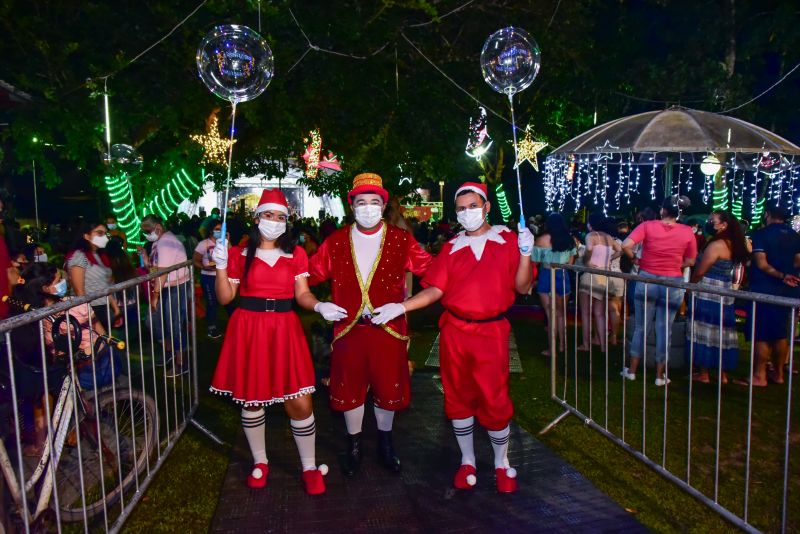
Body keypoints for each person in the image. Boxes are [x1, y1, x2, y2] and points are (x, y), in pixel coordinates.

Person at [373, 181, 534, 493]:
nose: (467, 213)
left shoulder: (508, 240)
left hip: (491, 332)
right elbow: (435, 289)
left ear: (487, 207)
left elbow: (524, 287)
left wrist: (526, 254)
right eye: (461, 208)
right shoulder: (451, 247)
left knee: (494, 396)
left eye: (473, 206)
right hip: (455, 333)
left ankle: (502, 463)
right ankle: (467, 460)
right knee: (457, 396)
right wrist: (400, 307)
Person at [309, 173, 432, 477]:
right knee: (350, 389)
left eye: (374, 202)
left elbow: (435, 272)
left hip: (388, 331)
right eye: (361, 202)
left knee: (388, 389)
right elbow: (305, 275)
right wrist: (317, 303)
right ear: (352, 205)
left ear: (383, 204)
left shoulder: (401, 240)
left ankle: (386, 444)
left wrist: (404, 306)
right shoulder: (335, 242)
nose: (368, 207)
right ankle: (354, 445)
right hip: (348, 331)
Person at [210, 189, 331, 495]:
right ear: (256, 217)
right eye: (268, 215)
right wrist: (221, 266)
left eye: (280, 217)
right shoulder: (239, 254)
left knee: (299, 402)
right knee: (252, 401)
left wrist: (317, 305)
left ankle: (309, 467)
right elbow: (226, 297)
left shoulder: (296, 254)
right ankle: (260, 461)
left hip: (284, 329)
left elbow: (302, 294)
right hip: (249, 328)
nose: (274, 222)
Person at [621, 195, 697, 386]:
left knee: (641, 327)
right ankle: (660, 375)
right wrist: (675, 264)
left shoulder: (648, 226)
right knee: (665, 328)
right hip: (672, 282)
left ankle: (632, 370)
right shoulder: (687, 231)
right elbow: (691, 260)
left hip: (647, 278)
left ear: (662, 210)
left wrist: (635, 260)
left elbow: (626, 245)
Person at [737, 204, 800, 386]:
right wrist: (788, 274)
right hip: (789, 289)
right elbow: (797, 262)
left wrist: (780, 275)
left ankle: (759, 375)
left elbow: (762, 263)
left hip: (765, 288)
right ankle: (778, 373)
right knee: (781, 333)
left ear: (767, 214)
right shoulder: (795, 236)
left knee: (761, 333)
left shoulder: (762, 235)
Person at [687, 210, 750, 384]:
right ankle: (721, 374)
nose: (709, 223)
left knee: (704, 329)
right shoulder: (734, 244)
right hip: (725, 289)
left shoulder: (717, 245)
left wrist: (690, 286)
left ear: (724, 224)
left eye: (712, 220)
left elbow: (701, 270)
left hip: (709, 289)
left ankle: (704, 372)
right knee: (721, 331)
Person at [141, 214, 190, 377]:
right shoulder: (157, 243)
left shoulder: (167, 243)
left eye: (147, 231)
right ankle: (169, 351)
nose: (146, 235)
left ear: (158, 228)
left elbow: (162, 272)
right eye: (144, 232)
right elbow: (155, 266)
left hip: (174, 288)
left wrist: (155, 295)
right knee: (153, 321)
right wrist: (144, 256)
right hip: (164, 287)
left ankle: (181, 362)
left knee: (174, 325)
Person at [65, 220, 121, 332]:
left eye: (105, 233)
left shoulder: (100, 255)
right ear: (86, 236)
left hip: (104, 306)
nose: (104, 237)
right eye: (99, 233)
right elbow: (79, 291)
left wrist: (115, 307)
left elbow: (104, 285)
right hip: (91, 309)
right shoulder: (79, 256)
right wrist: (90, 316)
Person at [532, 213, 576, 354]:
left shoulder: (541, 240)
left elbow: (535, 262)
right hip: (563, 275)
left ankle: (552, 349)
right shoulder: (569, 240)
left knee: (550, 314)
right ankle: (562, 345)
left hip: (546, 274)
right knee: (561, 314)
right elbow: (571, 262)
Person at [577, 213, 622, 351]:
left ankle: (586, 344)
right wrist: (609, 260)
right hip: (604, 275)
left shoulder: (591, 236)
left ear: (590, 224)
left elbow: (589, 248)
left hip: (590, 274)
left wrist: (587, 261)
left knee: (585, 313)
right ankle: (603, 346)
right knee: (600, 313)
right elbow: (620, 250)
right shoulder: (608, 237)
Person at [193, 221, 234, 339]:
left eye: (222, 229)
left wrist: (228, 240)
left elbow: (232, 255)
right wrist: (204, 266)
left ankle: (236, 324)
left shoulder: (224, 242)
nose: (220, 232)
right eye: (217, 229)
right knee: (212, 303)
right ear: (211, 230)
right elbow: (195, 260)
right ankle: (212, 327)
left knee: (228, 301)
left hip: (224, 276)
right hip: (208, 277)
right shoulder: (203, 244)